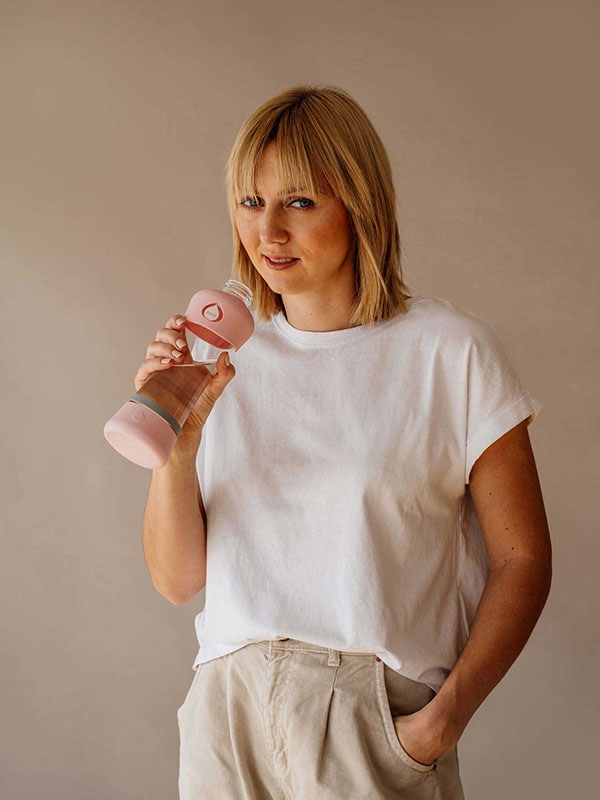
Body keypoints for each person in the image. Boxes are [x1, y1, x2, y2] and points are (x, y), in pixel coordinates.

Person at [136, 86, 552, 799]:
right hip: (225, 715)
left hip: (370, 718)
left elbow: (522, 558)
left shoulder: (449, 353)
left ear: (359, 204)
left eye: (298, 202)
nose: (266, 232)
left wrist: (441, 721)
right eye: (248, 201)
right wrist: (176, 447)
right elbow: (177, 581)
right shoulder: (223, 360)